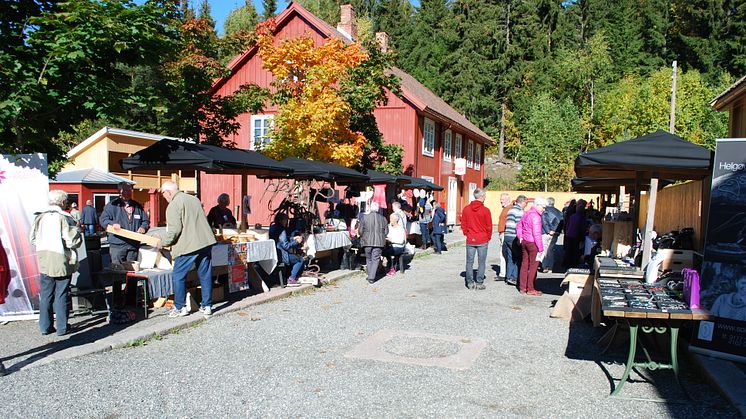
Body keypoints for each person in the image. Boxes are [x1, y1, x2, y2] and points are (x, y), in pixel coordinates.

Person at [156, 181, 216, 318]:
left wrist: (162, 242)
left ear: (169, 192)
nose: (164, 197)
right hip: (205, 242)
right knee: (205, 275)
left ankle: (180, 307)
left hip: (188, 246)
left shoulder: (173, 205)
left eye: (163, 193)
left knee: (178, 276)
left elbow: (174, 231)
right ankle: (207, 306)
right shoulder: (194, 199)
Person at [29, 190, 83, 336]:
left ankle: (45, 326)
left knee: (46, 293)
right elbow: (72, 241)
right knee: (61, 293)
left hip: (44, 256)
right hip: (60, 257)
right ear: (62, 202)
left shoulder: (39, 217)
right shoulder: (65, 217)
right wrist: (78, 232)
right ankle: (62, 327)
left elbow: (32, 238)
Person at [99, 182, 150, 264]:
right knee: (118, 271)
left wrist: (143, 227)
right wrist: (112, 224)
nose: (129, 192)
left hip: (133, 245)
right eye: (126, 190)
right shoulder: (112, 206)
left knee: (132, 272)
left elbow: (145, 221)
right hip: (117, 245)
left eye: (130, 190)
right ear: (120, 191)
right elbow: (103, 220)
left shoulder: (137, 206)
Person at [461, 188, 492, 290]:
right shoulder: (486, 210)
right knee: (481, 262)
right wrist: (488, 237)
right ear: (482, 197)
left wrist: (467, 233)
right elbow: (489, 226)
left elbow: (463, 224)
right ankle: (479, 282)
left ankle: (470, 282)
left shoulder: (466, 209)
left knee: (469, 261)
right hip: (482, 239)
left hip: (471, 238)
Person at [516, 197, 546, 296]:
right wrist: (541, 248)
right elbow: (537, 234)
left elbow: (519, 225)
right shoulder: (536, 217)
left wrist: (520, 236)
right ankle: (530, 288)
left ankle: (522, 287)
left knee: (524, 264)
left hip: (524, 241)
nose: (544, 209)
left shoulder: (527, 213)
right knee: (533, 266)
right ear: (537, 205)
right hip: (533, 243)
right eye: (543, 207)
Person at [269, 213, 305, 287]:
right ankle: (291, 279)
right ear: (282, 220)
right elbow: (286, 246)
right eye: (286, 220)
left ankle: (287, 277)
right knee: (300, 259)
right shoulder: (282, 230)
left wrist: (292, 238)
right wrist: (296, 242)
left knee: (294, 257)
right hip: (282, 255)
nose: (287, 222)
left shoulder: (272, 227)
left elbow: (280, 240)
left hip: (274, 253)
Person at [357, 201, 388, 284]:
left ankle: (370, 276)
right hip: (379, 242)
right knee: (375, 259)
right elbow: (386, 232)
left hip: (367, 241)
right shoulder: (383, 219)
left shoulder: (364, 217)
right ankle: (371, 277)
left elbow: (360, 231)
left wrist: (363, 235)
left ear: (370, 208)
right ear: (378, 209)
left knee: (369, 258)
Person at [503, 195, 527, 286]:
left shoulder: (511, 210)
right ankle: (514, 277)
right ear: (522, 202)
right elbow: (519, 225)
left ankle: (508, 276)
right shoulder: (520, 212)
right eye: (526, 203)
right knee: (518, 257)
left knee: (510, 257)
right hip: (514, 236)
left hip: (507, 235)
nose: (526, 205)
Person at [541, 197, 563, 273]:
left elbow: (544, 221)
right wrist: (557, 232)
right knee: (551, 250)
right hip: (555, 234)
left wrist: (548, 231)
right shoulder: (559, 212)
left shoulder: (545, 211)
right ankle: (550, 267)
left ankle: (545, 266)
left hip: (545, 233)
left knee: (545, 250)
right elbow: (562, 222)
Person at [564, 199, 587, 269]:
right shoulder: (581, 217)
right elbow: (582, 227)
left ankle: (567, 263)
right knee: (575, 250)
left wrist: (567, 231)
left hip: (569, 234)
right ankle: (573, 263)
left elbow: (567, 224)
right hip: (576, 235)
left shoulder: (573, 216)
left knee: (569, 249)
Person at [496, 193, 511, 280]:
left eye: (502, 199)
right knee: (504, 254)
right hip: (503, 233)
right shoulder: (506, 208)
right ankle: (504, 273)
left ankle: (503, 273)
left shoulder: (508, 209)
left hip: (505, 233)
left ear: (507, 200)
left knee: (503, 254)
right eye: (501, 199)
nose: (501, 201)